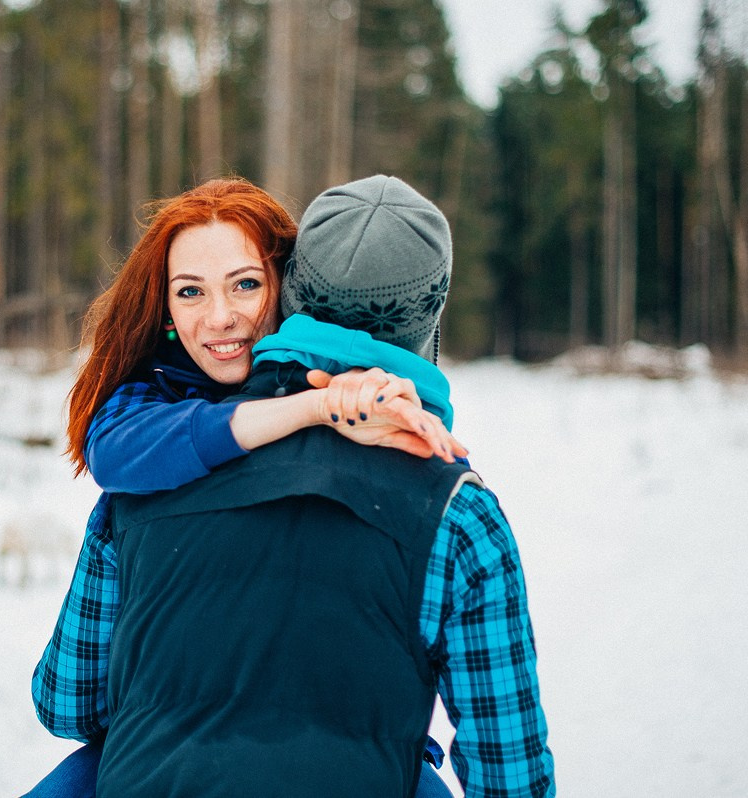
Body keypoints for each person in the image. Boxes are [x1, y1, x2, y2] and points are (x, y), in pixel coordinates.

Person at [33, 176, 554, 796]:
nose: (220, 317)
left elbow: (69, 701)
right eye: (191, 292)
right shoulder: (457, 514)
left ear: (288, 290)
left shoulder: (147, 489)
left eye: (245, 284)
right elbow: (510, 777)